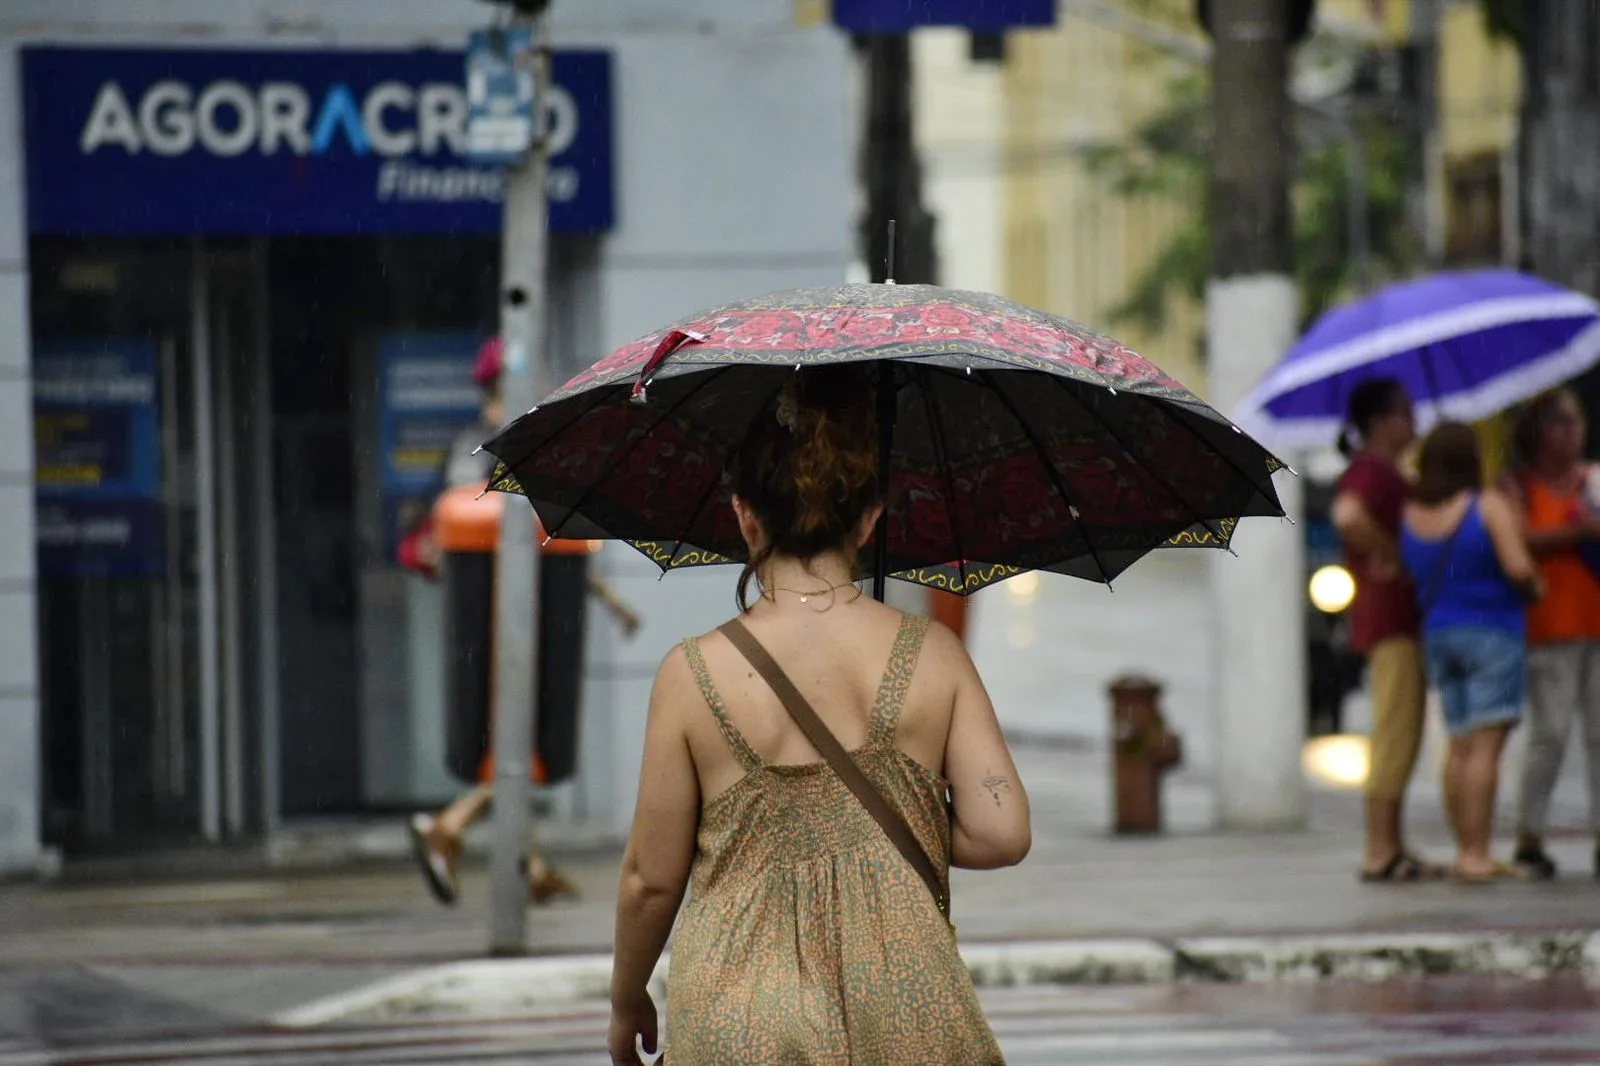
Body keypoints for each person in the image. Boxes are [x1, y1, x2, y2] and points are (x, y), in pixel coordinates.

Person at [606, 366, 1030, 1066]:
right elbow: (1003, 833)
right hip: (904, 1005)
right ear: (869, 516)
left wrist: (627, 999)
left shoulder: (691, 676)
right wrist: (874, 824)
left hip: (738, 1011)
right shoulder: (935, 656)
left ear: (744, 514)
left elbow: (651, 878)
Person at [403, 336, 642, 907]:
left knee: (523, 736)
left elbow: (543, 543)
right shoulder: (484, 452)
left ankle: (526, 862)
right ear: (497, 392)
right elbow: (499, 536)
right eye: (525, 388)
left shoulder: (506, 449)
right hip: (500, 621)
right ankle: (452, 827)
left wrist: (607, 598)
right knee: (519, 737)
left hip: (526, 611)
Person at [1399, 422, 1541, 882]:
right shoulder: (1487, 507)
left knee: (1458, 746)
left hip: (1439, 634)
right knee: (1485, 749)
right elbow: (1518, 567)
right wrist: (1534, 582)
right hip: (1492, 632)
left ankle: (1465, 848)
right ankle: (1478, 854)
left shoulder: (1412, 515)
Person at [1330, 378, 1441, 882]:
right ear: (1381, 422)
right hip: (1388, 615)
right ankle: (1378, 847)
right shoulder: (1371, 470)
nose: (1413, 421)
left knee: (1405, 728)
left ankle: (1392, 843)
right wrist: (1388, 552)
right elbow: (1348, 514)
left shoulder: (1388, 470)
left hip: (1402, 614)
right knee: (1394, 731)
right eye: (1405, 412)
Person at [1503, 388, 1600, 880]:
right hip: (1550, 624)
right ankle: (1530, 834)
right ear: (1538, 431)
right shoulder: (1518, 487)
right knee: (1552, 734)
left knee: (1599, 736)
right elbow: (1517, 540)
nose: (1571, 432)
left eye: (1576, 422)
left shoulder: (1593, 480)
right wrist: (1577, 534)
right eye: (1560, 423)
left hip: (1595, 620)